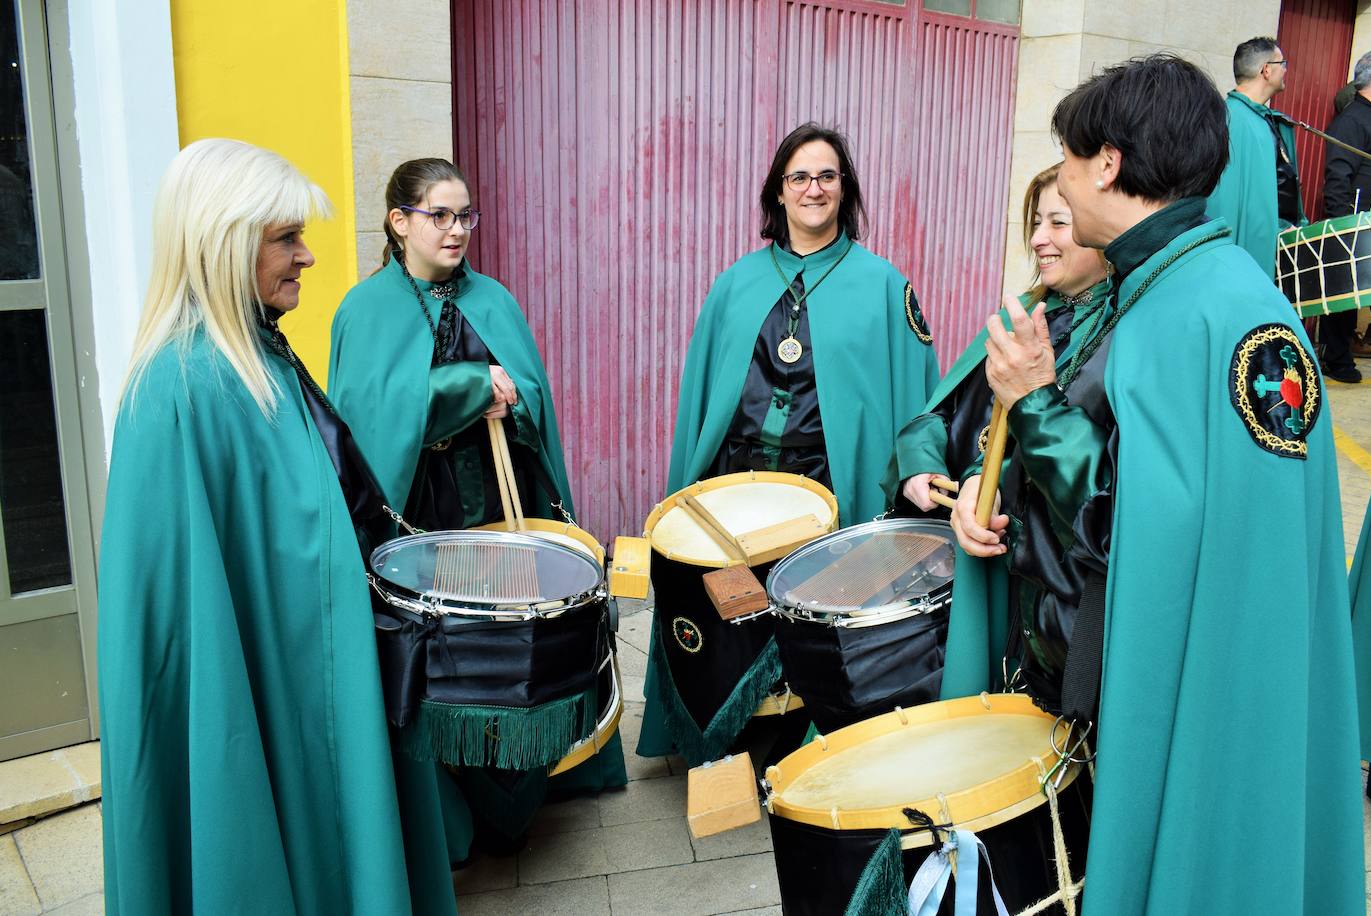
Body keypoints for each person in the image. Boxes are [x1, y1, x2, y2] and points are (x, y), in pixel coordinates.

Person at [951, 55, 1363, 913]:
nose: (1058, 181)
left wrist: (1032, 404)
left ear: (1106, 164)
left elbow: (1130, 526)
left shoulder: (1222, 311)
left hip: (1201, 709)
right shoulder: (1179, 290)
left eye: (1065, 159)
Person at [98, 139, 455, 915]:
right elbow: (184, 634)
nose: (306, 257)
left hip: (316, 683)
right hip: (272, 700)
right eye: (285, 238)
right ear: (224, 243)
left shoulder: (258, 355)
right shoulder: (179, 389)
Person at [328, 157, 627, 852]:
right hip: (420, 515)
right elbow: (368, 420)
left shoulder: (493, 297)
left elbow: (534, 396)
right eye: (440, 215)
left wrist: (512, 395)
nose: (457, 229)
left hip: (500, 501)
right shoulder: (365, 309)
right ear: (399, 221)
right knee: (448, 663)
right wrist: (469, 386)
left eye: (466, 215)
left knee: (515, 646)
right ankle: (452, 821)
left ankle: (527, 785)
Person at [637, 122, 941, 762]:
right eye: (799, 176)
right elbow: (703, 397)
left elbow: (919, 397)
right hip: (735, 484)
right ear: (778, 191)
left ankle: (805, 744)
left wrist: (918, 469)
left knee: (810, 622)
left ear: (845, 189)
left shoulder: (885, 285)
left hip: (828, 487)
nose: (813, 188)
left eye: (827, 176)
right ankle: (730, 738)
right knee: (734, 616)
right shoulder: (735, 284)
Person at [887, 162, 1110, 698]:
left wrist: (983, 486)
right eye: (1035, 223)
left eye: (1059, 222)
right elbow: (939, 415)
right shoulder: (1020, 315)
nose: (1038, 239)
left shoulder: (1122, 331)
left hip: (1052, 585)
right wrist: (923, 464)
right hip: (979, 558)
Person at [1206, 37, 1306, 277]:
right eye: (1283, 64)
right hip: (1248, 254)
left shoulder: (1265, 120)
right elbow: (1224, 202)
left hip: (1281, 247)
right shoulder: (1231, 119)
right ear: (1266, 70)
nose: (1285, 70)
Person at [1325, 50, 1371, 362]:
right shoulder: (1353, 119)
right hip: (1352, 220)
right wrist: (1343, 225)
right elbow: (1338, 174)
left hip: (1367, 219)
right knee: (1345, 291)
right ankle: (1337, 357)